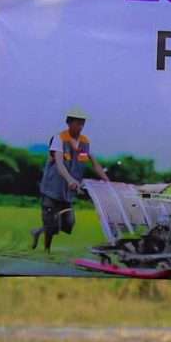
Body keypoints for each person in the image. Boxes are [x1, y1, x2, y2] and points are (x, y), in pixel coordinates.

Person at [34, 107, 105, 251]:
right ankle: (47, 249)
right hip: (52, 188)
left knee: (69, 223)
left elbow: (94, 164)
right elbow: (59, 163)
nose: (80, 126)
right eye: (77, 123)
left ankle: (38, 231)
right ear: (69, 122)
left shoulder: (85, 142)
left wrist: (107, 180)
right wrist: (70, 180)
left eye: (82, 123)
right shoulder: (59, 139)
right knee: (51, 222)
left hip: (68, 192)